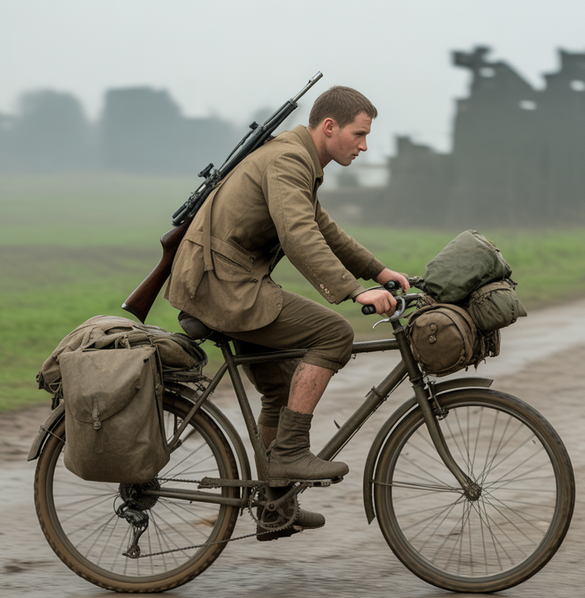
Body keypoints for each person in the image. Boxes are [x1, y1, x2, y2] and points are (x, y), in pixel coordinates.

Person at [165, 85, 409, 539]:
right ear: (329, 127)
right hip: (223, 284)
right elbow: (298, 236)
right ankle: (291, 451)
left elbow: (324, 230)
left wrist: (379, 272)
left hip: (229, 279)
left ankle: (275, 506)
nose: (365, 144)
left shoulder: (300, 160)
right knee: (333, 333)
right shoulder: (289, 159)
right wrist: (354, 293)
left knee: (279, 389)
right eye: (359, 134)